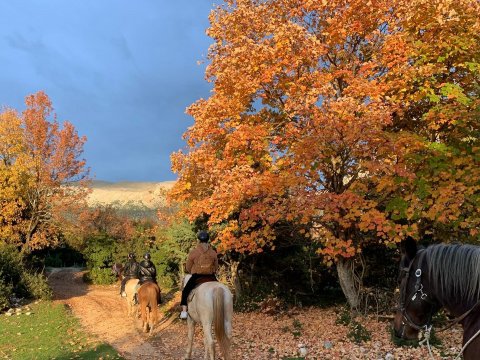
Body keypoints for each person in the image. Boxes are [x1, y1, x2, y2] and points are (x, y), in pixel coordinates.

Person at [180, 230, 219, 319]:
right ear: (208, 240)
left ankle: (184, 312)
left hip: (197, 276)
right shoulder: (213, 252)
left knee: (185, 291)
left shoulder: (193, 252)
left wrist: (192, 271)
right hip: (211, 277)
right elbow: (216, 267)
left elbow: (188, 267)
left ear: (198, 240)